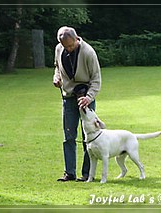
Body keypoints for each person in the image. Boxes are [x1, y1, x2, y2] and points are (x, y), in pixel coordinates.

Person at [53, 26, 101, 182]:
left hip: (85, 96)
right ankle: (69, 173)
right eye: (65, 46)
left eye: (70, 45)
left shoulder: (88, 53)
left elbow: (96, 80)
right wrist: (56, 78)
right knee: (68, 136)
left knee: (89, 136)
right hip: (68, 97)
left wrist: (89, 97)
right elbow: (57, 68)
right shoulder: (59, 48)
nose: (68, 49)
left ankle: (87, 174)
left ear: (76, 38)